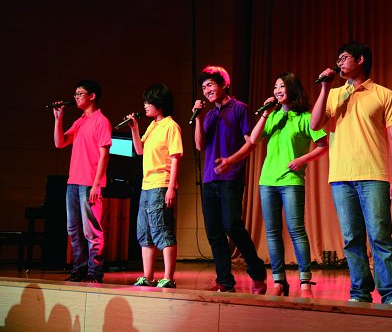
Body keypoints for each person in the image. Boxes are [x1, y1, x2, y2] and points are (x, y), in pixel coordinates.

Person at [310, 42, 392, 305]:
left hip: (373, 174)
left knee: (380, 236)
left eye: (344, 58)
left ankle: (391, 294)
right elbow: (315, 124)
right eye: (338, 59)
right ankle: (360, 292)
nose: (339, 63)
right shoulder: (333, 94)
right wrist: (325, 88)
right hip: (341, 177)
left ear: (360, 59)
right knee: (352, 239)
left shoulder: (384, 94)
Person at [249, 72, 328, 297]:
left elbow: (323, 145)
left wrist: (302, 160)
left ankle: (305, 282)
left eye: (282, 86)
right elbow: (253, 139)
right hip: (267, 181)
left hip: (292, 181)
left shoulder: (305, 118)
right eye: (275, 87)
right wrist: (265, 114)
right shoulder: (272, 116)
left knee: (296, 230)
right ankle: (279, 281)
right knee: (272, 233)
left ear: (292, 88)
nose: (277, 90)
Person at [193, 65, 267, 294]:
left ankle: (257, 273)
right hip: (209, 179)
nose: (207, 90)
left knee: (232, 225)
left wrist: (231, 161)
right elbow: (199, 145)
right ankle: (225, 281)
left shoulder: (240, 109)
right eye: (204, 87)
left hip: (230, 177)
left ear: (224, 84)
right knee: (214, 232)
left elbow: (250, 142)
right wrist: (198, 118)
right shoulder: (209, 115)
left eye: (210, 85)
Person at [53, 79, 112, 283]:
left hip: (89, 183)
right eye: (75, 94)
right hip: (73, 182)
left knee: (91, 230)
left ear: (92, 96)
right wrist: (58, 118)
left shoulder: (101, 121)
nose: (76, 97)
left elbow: (104, 155)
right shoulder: (80, 121)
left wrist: (96, 184)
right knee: (73, 229)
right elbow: (60, 143)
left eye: (80, 93)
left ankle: (94, 272)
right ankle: (79, 270)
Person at [126, 84, 183, 289]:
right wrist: (134, 129)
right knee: (145, 232)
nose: (145, 105)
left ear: (160, 103)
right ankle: (148, 276)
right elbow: (139, 150)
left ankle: (168, 277)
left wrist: (171, 187)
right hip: (146, 185)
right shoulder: (152, 126)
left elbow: (175, 158)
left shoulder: (171, 126)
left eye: (149, 102)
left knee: (162, 229)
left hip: (161, 184)